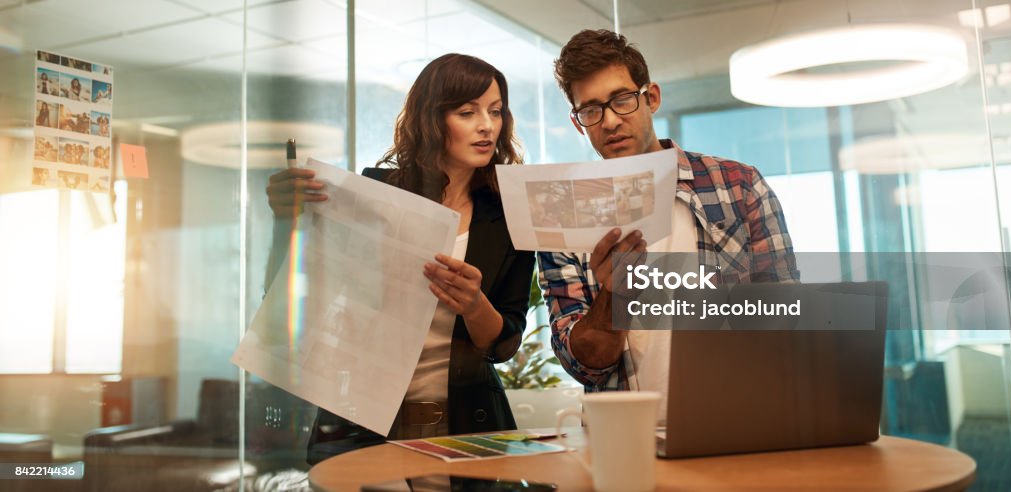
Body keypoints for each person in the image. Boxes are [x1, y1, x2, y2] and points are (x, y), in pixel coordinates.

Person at [264, 53, 535, 464]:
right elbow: (296, 299)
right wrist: (287, 221)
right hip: (362, 423)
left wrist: (475, 304)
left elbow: (504, 344)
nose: (487, 125)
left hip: (469, 424)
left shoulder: (510, 214)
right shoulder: (374, 193)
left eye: (495, 111)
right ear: (432, 118)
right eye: (467, 112)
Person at [538, 30, 799, 400]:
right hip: (623, 439)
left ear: (652, 98)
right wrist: (615, 294)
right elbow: (585, 365)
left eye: (622, 100)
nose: (610, 122)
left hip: (735, 421)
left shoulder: (739, 185)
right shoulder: (561, 214)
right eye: (591, 110)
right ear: (579, 122)